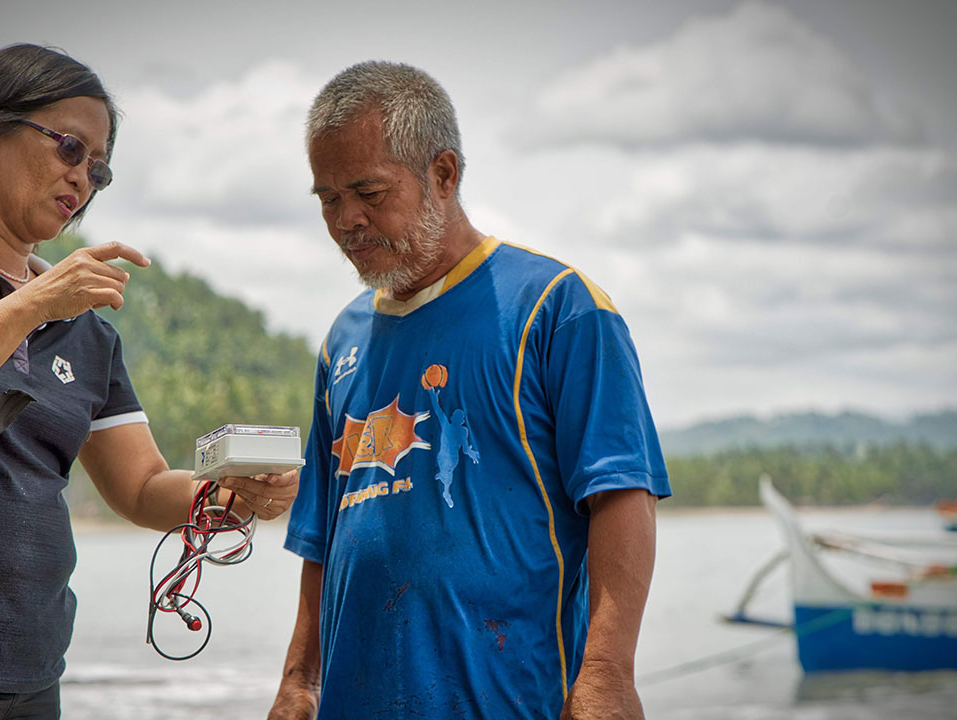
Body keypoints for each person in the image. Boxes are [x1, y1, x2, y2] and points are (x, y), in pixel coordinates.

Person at [0, 43, 297, 718]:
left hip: (33, 669)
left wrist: (233, 495)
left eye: (98, 170)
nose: (83, 179)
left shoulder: (86, 324)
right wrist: (34, 303)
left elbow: (140, 488)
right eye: (70, 148)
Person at [268, 61, 670, 720]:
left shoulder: (557, 308)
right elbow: (322, 536)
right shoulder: (342, 340)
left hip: (512, 698)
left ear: (444, 174)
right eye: (328, 199)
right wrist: (298, 680)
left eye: (368, 192)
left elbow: (622, 494)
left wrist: (606, 675)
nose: (347, 220)